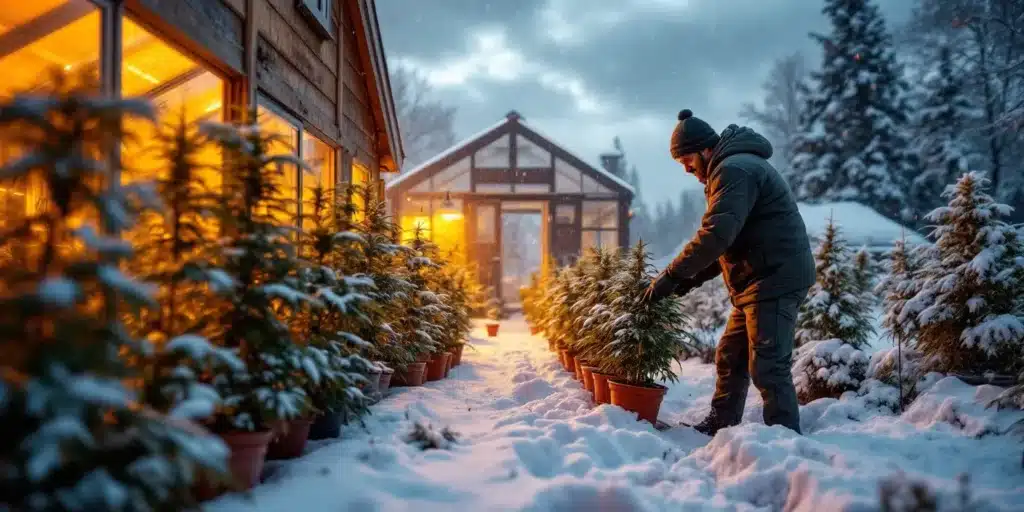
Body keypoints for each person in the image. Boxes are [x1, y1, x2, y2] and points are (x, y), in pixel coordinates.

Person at [641, 109, 815, 436]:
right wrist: (683, 282)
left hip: (775, 278)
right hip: (758, 280)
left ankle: (785, 437)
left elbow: (715, 236)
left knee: (768, 364)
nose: (687, 169)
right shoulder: (732, 168)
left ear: (706, 150)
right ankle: (722, 424)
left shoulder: (734, 170)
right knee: (731, 355)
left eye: (687, 160)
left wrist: (671, 276)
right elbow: (724, 243)